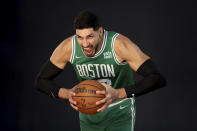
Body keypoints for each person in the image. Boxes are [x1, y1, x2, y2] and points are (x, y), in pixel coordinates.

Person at [35, 10, 166, 131]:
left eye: (90, 36)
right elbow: (41, 81)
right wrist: (68, 93)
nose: (85, 44)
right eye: (80, 37)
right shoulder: (69, 47)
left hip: (119, 112)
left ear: (101, 32)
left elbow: (157, 78)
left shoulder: (119, 45)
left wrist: (117, 94)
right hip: (88, 115)